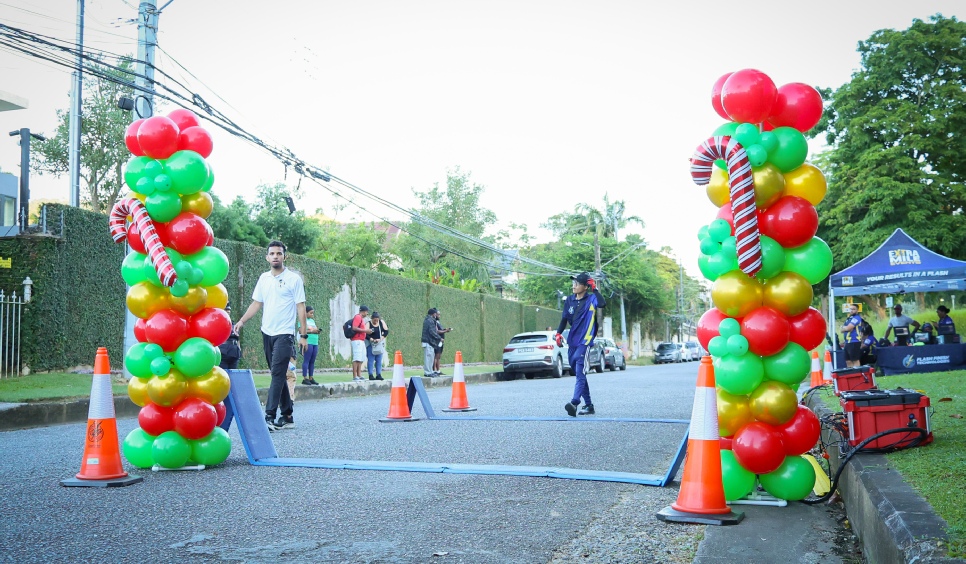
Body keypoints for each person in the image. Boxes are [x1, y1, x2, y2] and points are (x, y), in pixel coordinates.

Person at [233, 240, 308, 431]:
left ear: (284, 257)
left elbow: (301, 307)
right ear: (267, 257)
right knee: (278, 375)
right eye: (272, 253)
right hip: (267, 332)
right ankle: (288, 416)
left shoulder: (293, 279)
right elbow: (256, 303)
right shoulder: (264, 278)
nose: (275, 256)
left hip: (285, 334)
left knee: (276, 374)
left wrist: (303, 335)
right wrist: (241, 321)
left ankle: (269, 416)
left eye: (279, 253)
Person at [555, 272, 605, 416]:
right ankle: (589, 405)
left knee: (580, 369)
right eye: (573, 283)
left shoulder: (592, 299)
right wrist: (558, 333)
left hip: (585, 340)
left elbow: (602, 303)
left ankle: (574, 402)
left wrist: (595, 288)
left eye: (577, 283)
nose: (574, 286)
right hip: (573, 340)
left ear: (585, 286)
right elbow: (564, 319)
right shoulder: (569, 300)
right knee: (579, 372)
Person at [217, 301, 242, 432]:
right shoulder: (217, 321)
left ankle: (224, 425)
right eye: (225, 310)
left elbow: (237, 339)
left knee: (231, 387)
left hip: (233, 353)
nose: (228, 312)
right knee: (222, 387)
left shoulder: (232, 323)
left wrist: (239, 350)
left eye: (229, 310)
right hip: (222, 352)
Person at [349, 305, 373, 381]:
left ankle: (359, 375)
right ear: (364, 311)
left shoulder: (362, 319)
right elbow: (354, 328)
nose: (367, 313)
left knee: (361, 358)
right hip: (357, 340)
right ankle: (355, 376)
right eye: (367, 312)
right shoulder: (358, 317)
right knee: (356, 358)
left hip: (361, 340)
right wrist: (366, 331)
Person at [300, 306, 320, 385]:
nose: (312, 315)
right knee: (307, 360)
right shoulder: (302, 320)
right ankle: (305, 378)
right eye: (311, 313)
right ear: (306, 313)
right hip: (308, 342)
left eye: (313, 313)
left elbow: (315, 329)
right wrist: (312, 331)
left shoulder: (312, 321)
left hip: (315, 342)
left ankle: (311, 377)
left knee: (312, 361)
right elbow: (301, 330)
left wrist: (317, 331)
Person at [366, 311, 389, 380]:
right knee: (371, 360)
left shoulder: (381, 322)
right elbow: (365, 333)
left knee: (379, 360)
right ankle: (370, 374)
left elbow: (386, 331)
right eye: (374, 320)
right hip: (371, 344)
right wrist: (371, 339)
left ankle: (378, 374)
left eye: (377, 320)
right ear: (372, 319)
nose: (375, 322)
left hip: (379, 344)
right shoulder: (368, 323)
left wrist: (381, 338)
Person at [840, 303, 863, 368]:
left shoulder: (857, 318)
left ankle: (857, 372)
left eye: (853, 309)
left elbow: (849, 328)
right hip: (847, 342)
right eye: (850, 309)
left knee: (855, 360)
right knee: (848, 360)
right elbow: (842, 330)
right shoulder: (849, 318)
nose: (851, 310)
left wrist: (845, 328)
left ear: (857, 310)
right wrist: (845, 328)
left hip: (854, 341)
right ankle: (850, 372)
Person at [421, 308, 442, 377]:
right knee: (428, 357)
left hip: (429, 342)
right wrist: (439, 338)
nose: (436, 315)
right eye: (435, 314)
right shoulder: (430, 321)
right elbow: (432, 332)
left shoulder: (428, 320)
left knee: (431, 357)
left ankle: (430, 371)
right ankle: (428, 372)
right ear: (433, 314)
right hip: (428, 341)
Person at [433, 310, 453, 376]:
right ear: (435, 314)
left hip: (441, 342)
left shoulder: (438, 322)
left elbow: (440, 330)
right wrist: (446, 331)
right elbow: (437, 331)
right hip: (437, 341)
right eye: (438, 314)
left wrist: (445, 330)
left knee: (438, 357)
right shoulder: (434, 322)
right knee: (436, 357)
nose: (439, 316)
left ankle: (438, 371)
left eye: (439, 314)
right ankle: (434, 371)